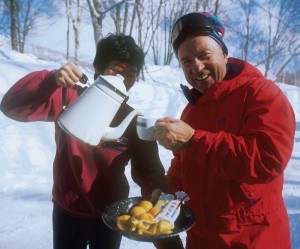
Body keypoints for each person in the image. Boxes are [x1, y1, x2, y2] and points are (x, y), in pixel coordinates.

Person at [0, 33, 182, 249]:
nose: (125, 79)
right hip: (66, 210)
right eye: (117, 69)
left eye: (132, 73)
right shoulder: (69, 99)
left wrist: (156, 189)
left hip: (109, 214)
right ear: (99, 68)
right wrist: (50, 79)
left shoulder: (132, 120)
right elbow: (13, 107)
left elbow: (148, 169)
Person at [154, 12, 296, 249]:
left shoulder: (261, 93)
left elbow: (267, 160)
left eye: (204, 55)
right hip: (200, 237)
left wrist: (194, 139)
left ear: (224, 54)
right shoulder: (191, 111)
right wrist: (165, 192)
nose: (197, 67)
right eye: (186, 61)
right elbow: (182, 164)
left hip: (251, 239)